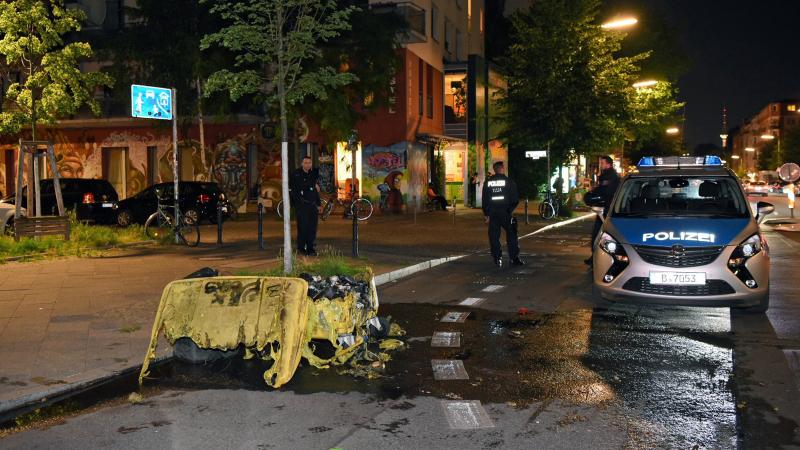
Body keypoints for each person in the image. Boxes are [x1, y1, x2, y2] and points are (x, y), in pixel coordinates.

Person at [482, 161, 524, 267]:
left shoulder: (488, 183)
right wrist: (509, 210)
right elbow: (515, 200)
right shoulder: (509, 182)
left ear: (494, 170)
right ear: (502, 168)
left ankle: (497, 258)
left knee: (494, 236)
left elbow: (485, 200)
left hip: (493, 213)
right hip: (505, 213)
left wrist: (487, 214)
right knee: (512, 234)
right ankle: (514, 258)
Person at [584, 155, 620, 265]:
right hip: (606, 208)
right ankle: (595, 257)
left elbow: (605, 192)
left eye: (602, 163)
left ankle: (598, 258)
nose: (601, 165)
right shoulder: (609, 175)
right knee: (600, 233)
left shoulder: (609, 176)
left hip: (606, 209)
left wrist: (592, 191)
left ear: (608, 164)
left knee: (600, 233)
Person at [289, 156, 322, 256]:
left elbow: (315, 192)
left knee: (312, 228)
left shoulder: (312, 174)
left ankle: (310, 248)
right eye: (306, 163)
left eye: (309, 163)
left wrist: (318, 204)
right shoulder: (296, 174)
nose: (308, 165)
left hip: (312, 205)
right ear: (302, 163)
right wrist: (312, 186)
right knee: (303, 227)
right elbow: (296, 189)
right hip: (302, 205)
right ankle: (301, 248)